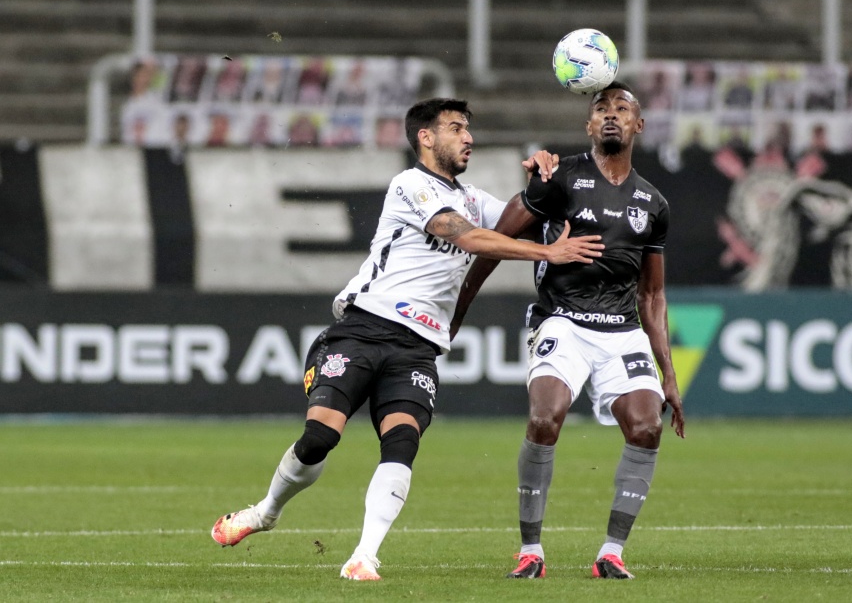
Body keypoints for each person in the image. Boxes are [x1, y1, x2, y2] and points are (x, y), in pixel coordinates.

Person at [209, 98, 604, 581]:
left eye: (468, 129)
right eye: (456, 128)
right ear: (426, 137)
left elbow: (527, 217)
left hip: (417, 347)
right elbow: (467, 237)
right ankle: (266, 512)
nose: (468, 137)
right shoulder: (410, 185)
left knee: (401, 442)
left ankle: (364, 556)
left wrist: (545, 180)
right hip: (362, 327)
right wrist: (548, 252)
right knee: (320, 436)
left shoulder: (475, 198)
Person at [450, 82, 686, 581]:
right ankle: (531, 550)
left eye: (622, 109)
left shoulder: (655, 203)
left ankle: (611, 553)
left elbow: (652, 295)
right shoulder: (558, 178)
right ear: (588, 124)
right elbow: (493, 244)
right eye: (600, 108)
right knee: (545, 417)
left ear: (638, 125)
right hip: (564, 320)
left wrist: (669, 372)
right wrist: (457, 314)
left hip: (622, 329)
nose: (610, 116)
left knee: (647, 427)